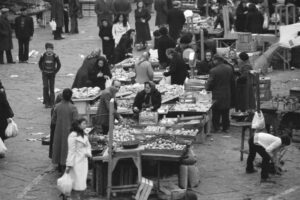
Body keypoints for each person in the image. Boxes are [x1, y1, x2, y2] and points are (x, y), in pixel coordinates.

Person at [206, 55, 235, 133]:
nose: (213, 62)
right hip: (227, 92)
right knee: (226, 111)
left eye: (213, 60)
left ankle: (216, 128)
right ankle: (226, 127)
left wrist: (206, 89)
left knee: (216, 111)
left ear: (216, 60)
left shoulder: (213, 70)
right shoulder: (229, 68)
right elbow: (232, 81)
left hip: (217, 93)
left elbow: (210, 83)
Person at [52, 88, 78, 173]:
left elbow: (53, 120)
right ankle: (67, 166)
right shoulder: (73, 107)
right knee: (67, 149)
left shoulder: (57, 106)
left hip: (59, 130)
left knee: (59, 147)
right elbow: (76, 121)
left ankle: (59, 165)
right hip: (69, 131)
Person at [65, 118, 91, 200]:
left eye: (86, 124)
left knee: (81, 183)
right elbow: (71, 151)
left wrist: (88, 153)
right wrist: (69, 165)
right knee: (76, 184)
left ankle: (78, 197)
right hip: (76, 162)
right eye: (84, 124)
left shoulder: (84, 134)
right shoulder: (72, 135)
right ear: (78, 125)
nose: (85, 125)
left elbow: (88, 146)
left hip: (83, 161)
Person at [39, 43, 61, 108]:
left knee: (52, 88)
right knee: (45, 87)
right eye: (48, 49)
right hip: (45, 74)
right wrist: (42, 70)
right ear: (46, 49)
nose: (49, 50)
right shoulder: (43, 55)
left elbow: (59, 64)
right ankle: (46, 102)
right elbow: (39, 63)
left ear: (53, 49)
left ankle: (52, 103)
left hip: (52, 74)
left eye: (51, 49)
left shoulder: (55, 56)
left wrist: (55, 71)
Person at [0, 80, 14, 145]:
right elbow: (5, 103)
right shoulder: (1, 91)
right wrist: (9, 115)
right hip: (2, 116)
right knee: (2, 133)